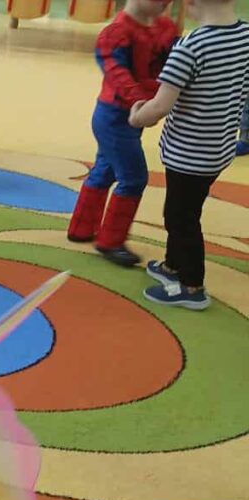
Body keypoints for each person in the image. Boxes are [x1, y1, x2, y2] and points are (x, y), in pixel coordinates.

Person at [129, 0, 249, 310]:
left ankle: (192, 285)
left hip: (189, 154)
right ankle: (173, 264)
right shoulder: (245, 36)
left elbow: (160, 106)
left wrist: (138, 116)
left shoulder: (190, 47)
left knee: (181, 218)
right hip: (218, 149)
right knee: (184, 209)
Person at [66, 0, 178, 267]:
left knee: (105, 170)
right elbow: (118, 75)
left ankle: (81, 228)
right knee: (134, 178)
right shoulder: (116, 34)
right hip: (114, 118)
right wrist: (144, 103)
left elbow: (176, 65)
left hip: (133, 117)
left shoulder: (164, 27)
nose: (164, 3)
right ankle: (111, 241)